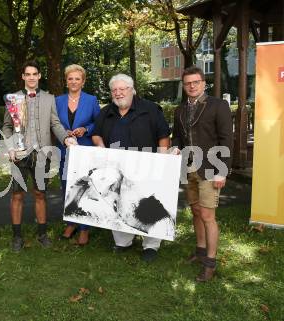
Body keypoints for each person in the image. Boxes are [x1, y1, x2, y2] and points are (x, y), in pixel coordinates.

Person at [91, 73, 170, 262]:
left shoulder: (150, 109)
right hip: (116, 169)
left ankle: (150, 245)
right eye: (114, 90)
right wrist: (102, 149)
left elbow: (163, 135)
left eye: (122, 89)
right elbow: (96, 134)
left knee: (149, 203)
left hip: (147, 166)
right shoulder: (106, 112)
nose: (118, 93)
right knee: (119, 203)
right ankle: (123, 242)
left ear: (132, 90)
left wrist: (162, 159)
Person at [2, 60, 76, 252]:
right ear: (23, 77)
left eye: (35, 74)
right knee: (17, 195)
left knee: (40, 194)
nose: (32, 77)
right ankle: (17, 237)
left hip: (42, 153)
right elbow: (7, 127)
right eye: (28, 74)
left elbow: (55, 124)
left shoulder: (49, 98)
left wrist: (66, 138)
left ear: (39, 76)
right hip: (19, 153)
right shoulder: (13, 98)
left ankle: (42, 234)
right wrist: (10, 147)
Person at [172, 66, 233, 282]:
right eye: (188, 83)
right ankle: (199, 251)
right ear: (184, 85)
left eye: (195, 82)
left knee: (208, 216)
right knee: (196, 212)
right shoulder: (179, 110)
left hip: (211, 168)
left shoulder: (218, 105)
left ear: (203, 83)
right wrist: (176, 146)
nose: (192, 86)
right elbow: (178, 136)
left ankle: (210, 262)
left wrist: (222, 171)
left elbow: (226, 139)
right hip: (189, 168)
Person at [55, 64, 101, 245]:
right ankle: (71, 223)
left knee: (84, 188)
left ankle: (84, 229)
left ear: (83, 81)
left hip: (85, 152)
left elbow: (98, 123)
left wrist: (86, 129)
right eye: (70, 78)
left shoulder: (91, 100)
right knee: (67, 188)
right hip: (64, 151)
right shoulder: (57, 101)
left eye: (77, 79)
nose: (74, 82)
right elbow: (54, 124)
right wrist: (62, 133)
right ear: (66, 81)